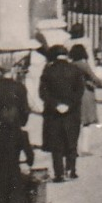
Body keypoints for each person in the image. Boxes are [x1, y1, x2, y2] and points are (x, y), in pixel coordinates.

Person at [38, 46, 82, 182]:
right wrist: (69, 105)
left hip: (53, 113)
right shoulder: (75, 70)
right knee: (71, 142)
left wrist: (56, 105)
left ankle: (59, 173)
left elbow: (43, 93)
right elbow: (80, 91)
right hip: (72, 113)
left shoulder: (48, 71)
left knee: (56, 144)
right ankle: (71, 170)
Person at [67, 45, 102, 158]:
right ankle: (84, 148)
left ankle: (74, 147)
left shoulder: (70, 65)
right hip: (86, 95)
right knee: (86, 123)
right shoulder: (84, 65)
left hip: (73, 95)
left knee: (75, 122)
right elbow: (94, 78)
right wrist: (100, 82)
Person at [0, 57, 31, 130]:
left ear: (0, 72)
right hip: (14, 125)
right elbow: (24, 108)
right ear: (12, 71)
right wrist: (22, 123)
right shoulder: (19, 87)